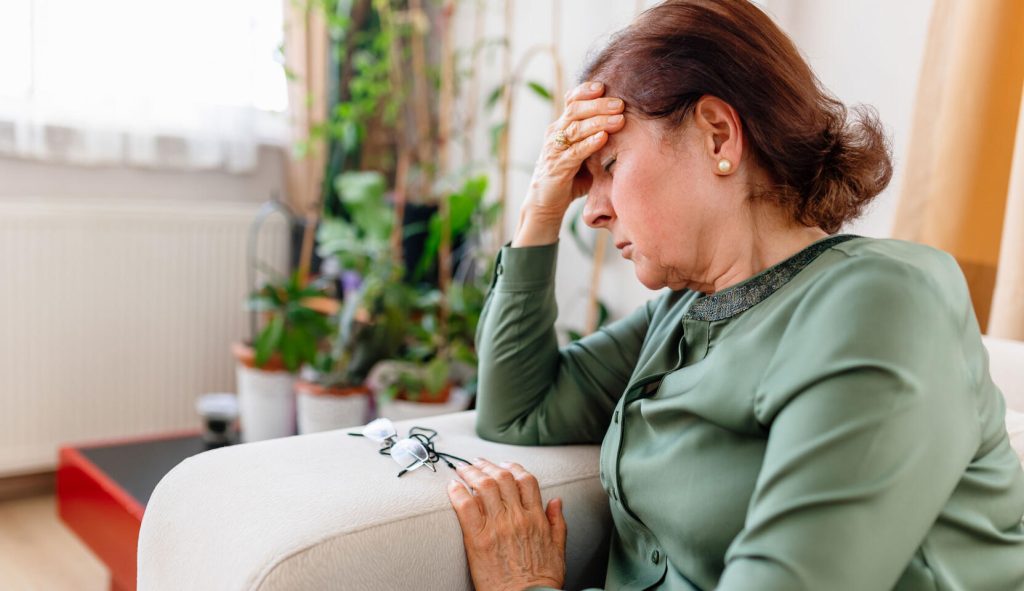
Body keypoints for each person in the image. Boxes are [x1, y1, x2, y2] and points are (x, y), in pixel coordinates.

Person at [445, 0, 1024, 589]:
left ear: (717, 135)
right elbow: (518, 412)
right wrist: (540, 209)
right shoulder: (683, 311)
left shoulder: (884, 303)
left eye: (610, 165)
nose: (590, 211)